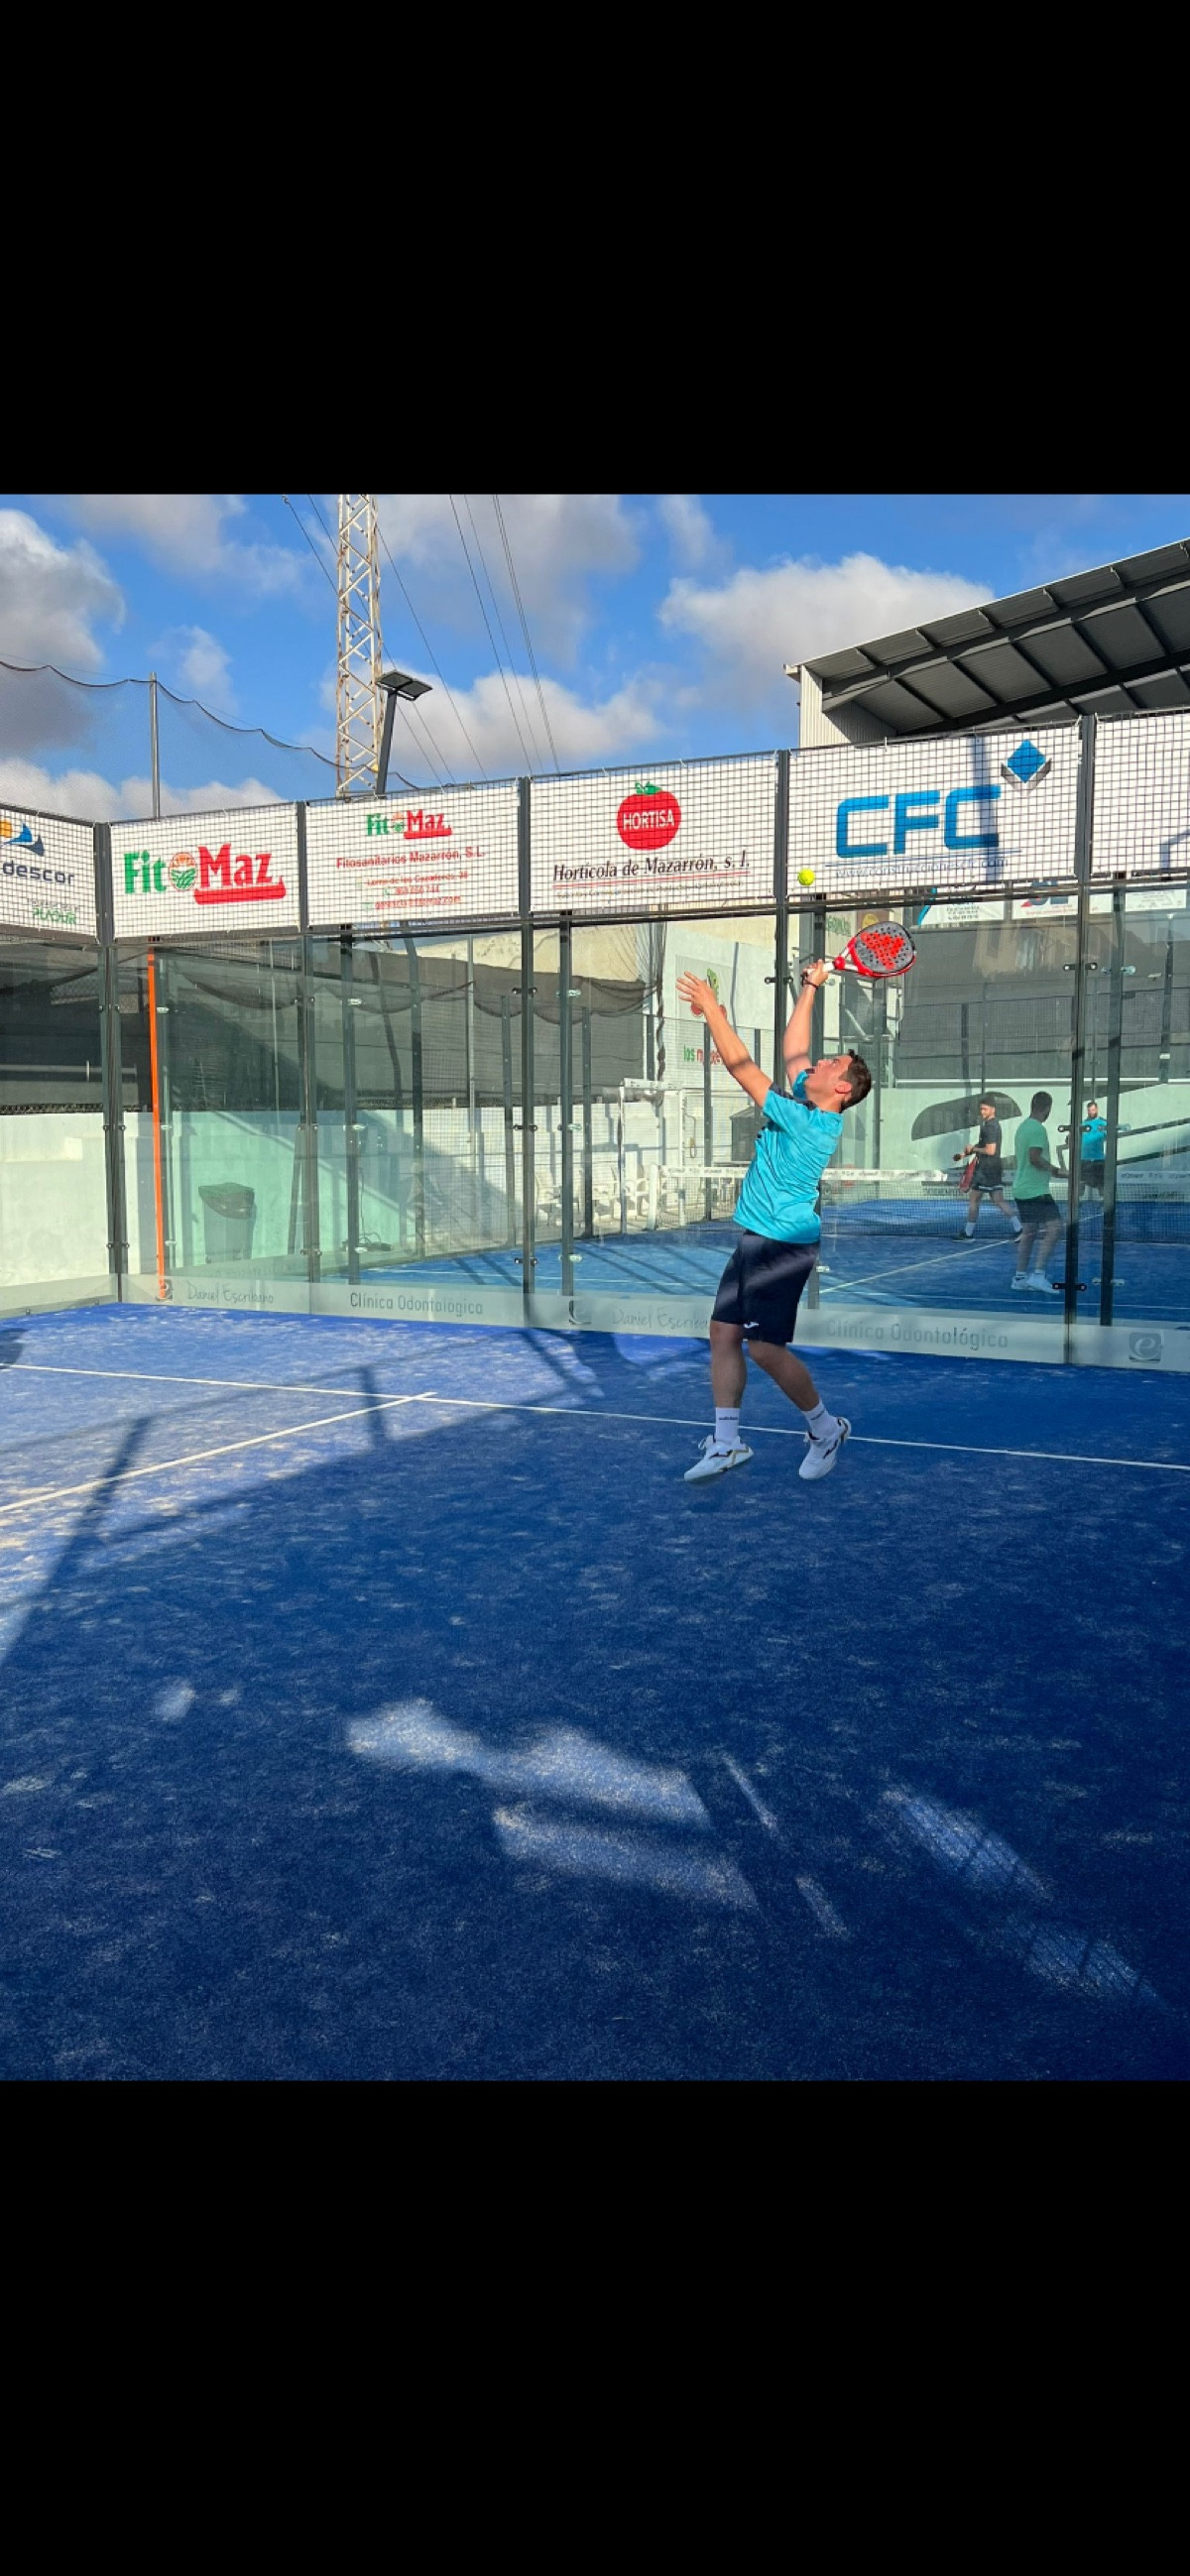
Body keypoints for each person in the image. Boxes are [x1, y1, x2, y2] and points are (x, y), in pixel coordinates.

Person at [674, 961, 872, 1484]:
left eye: (832, 1062)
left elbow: (741, 1066)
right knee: (722, 1332)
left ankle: (825, 1429)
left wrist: (713, 1011)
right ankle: (727, 1442)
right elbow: (794, 1052)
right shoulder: (805, 1100)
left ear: (842, 1088)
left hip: (783, 1247)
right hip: (756, 1238)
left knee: (764, 1348)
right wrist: (810, 987)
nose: (819, 1062)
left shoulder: (811, 1123)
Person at [1011, 1091, 1067, 1294]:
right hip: (1035, 1190)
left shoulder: (1023, 1127)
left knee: (1029, 1233)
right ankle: (1038, 1275)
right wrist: (1056, 1171)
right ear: (1047, 1108)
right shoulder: (1038, 1129)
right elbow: (1034, 1157)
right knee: (1055, 1228)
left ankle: (1019, 1278)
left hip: (1022, 1188)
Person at [954, 1099, 1023, 1239]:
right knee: (998, 1199)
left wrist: (974, 1149)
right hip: (994, 1168)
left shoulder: (990, 1127)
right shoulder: (991, 1124)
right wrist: (965, 1154)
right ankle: (1019, 1229)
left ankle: (968, 1234)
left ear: (993, 1109)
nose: (982, 1112)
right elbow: (983, 1145)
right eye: (981, 1109)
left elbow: (990, 1150)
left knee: (974, 1199)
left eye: (985, 1109)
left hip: (986, 1170)